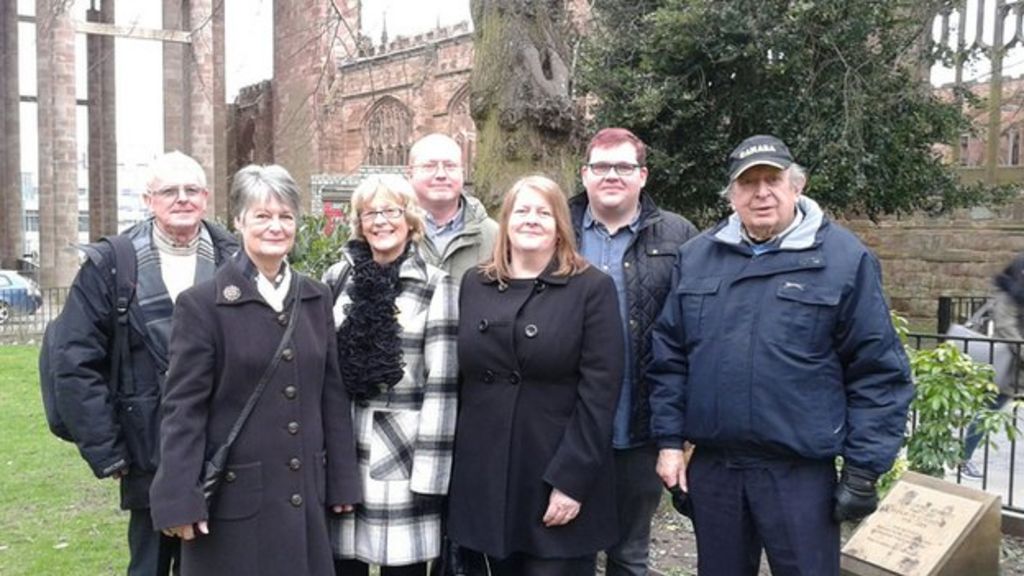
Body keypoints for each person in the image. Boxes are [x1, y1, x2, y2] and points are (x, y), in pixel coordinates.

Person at [648, 135, 915, 575]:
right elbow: (670, 359)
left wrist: (864, 468)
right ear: (732, 195)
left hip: (798, 475)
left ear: (797, 186)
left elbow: (878, 373)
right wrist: (670, 442)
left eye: (772, 179)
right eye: (747, 183)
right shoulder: (696, 258)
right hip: (716, 468)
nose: (761, 193)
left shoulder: (844, 260)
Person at [149, 165, 360, 575]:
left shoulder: (314, 297)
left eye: (285, 216)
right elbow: (183, 409)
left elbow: (331, 396)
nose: (276, 227)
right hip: (234, 504)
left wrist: (342, 481)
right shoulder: (202, 305)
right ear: (239, 220)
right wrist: (178, 497)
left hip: (304, 499)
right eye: (262, 216)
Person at [52, 151, 238, 576]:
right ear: (148, 199)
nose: (182, 199)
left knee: (225, 561)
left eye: (192, 190)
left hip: (226, 444)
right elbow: (75, 361)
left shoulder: (235, 258)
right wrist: (108, 452)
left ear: (206, 197)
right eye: (169, 191)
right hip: (145, 448)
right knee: (151, 564)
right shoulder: (112, 264)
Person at [449, 175, 625, 576]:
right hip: (484, 476)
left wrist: (571, 481)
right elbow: (463, 382)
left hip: (554, 471)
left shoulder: (591, 288)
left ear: (560, 224)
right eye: (522, 211)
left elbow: (600, 393)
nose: (532, 220)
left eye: (543, 212)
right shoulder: (475, 283)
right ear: (506, 221)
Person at [571, 127, 698, 576]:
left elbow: (688, 335)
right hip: (566, 427)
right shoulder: (557, 228)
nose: (612, 175)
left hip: (639, 426)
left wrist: (675, 437)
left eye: (623, 166)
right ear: (585, 174)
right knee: (568, 550)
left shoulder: (679, 235)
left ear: (642, 175)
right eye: (601, 166)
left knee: (630, 554)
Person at [323, 175, 458, 576]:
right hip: (344, 446)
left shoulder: (436, 284)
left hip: (404, 452)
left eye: (391, 211)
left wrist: (431, 478)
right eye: (370, 213)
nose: (381, 221)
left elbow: (443, 385)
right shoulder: (337, 279)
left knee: (405, 570)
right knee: (343, 565)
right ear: (359, 222)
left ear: (410, 218)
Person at [961, 255, 1024, 478]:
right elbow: (1006, 329)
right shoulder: (1008, 296)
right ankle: (963, 458)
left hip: (1017, 367)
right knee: (988, 411)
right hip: (1007, 366)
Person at [407, 133, 498, 281]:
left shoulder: (494, 236)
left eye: (450, 166)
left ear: (462, 172)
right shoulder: (389, 230)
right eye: (430, 166)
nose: (441, 174)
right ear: (410, 173)